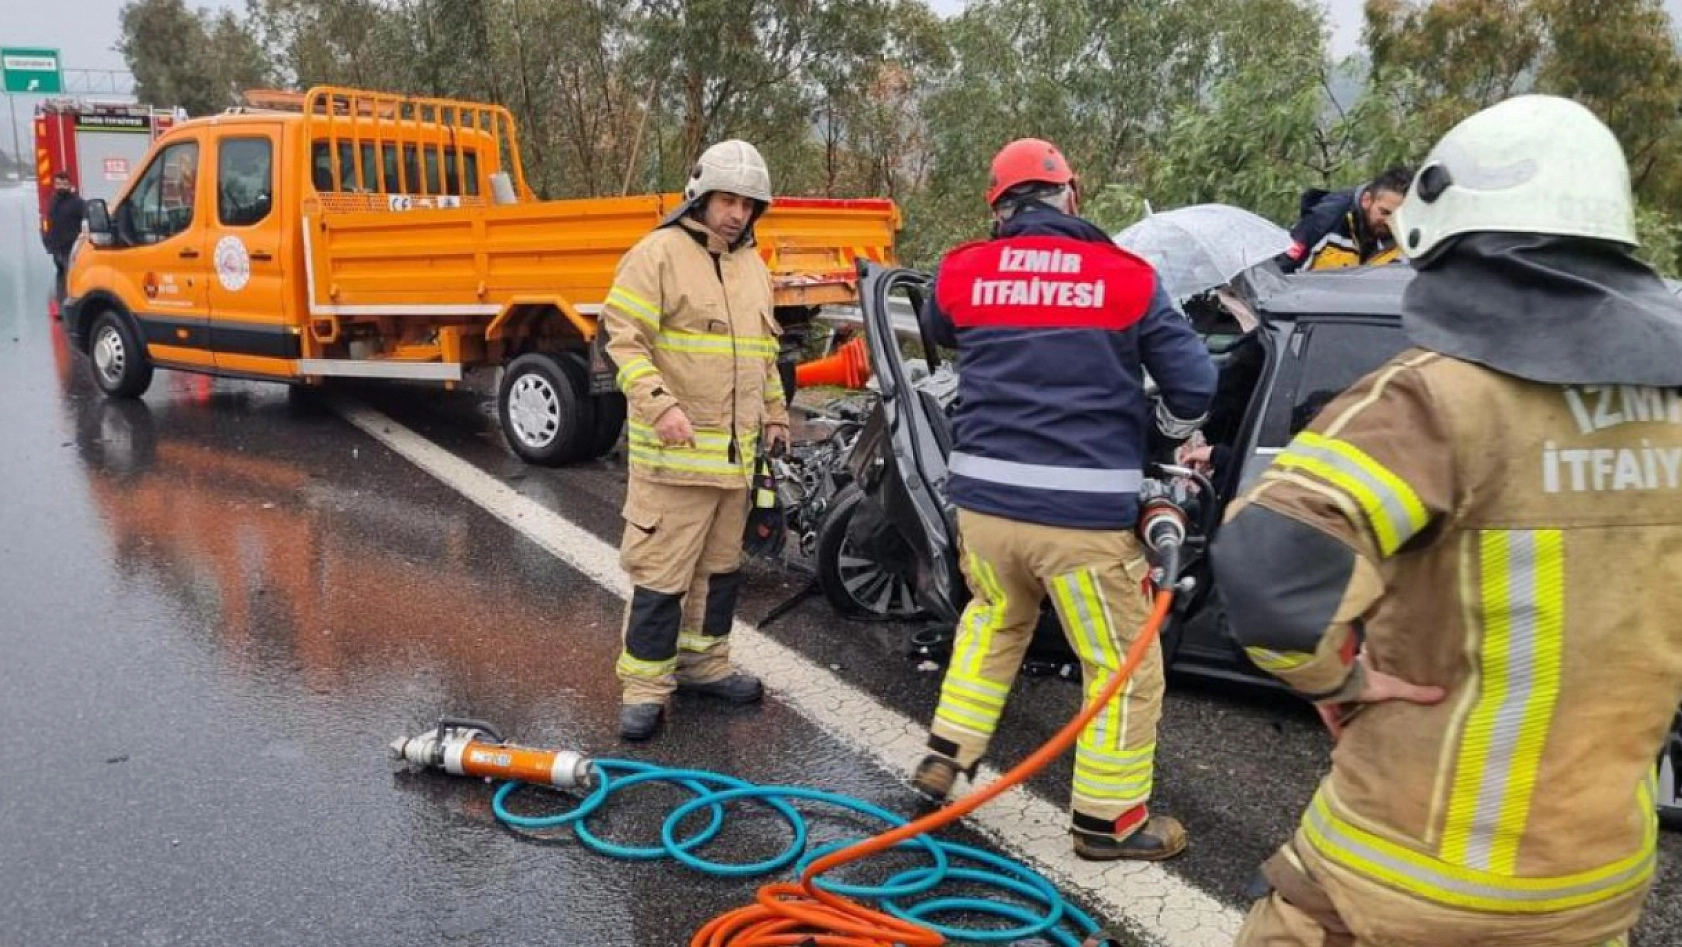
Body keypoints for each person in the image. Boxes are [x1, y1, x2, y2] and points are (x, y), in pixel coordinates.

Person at [1212, 94, 1682, 947]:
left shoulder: (1435, 394)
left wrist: (1333, 680)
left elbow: (1269, 565)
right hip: (1598, 888)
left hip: (1403, 873)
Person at [909, 138, 1217, 861]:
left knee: (991, 623)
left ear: (999, 207)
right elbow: (1195, 386)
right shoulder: (1127, 276)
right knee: (1118, 664)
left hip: (984, 512)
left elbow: (938, 328)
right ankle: (1107, 823)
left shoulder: (962, 269)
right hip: (1081, 522)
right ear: (1070, 196)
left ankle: (946, 756)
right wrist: (1159, 432)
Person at [599, 139, 791, 742]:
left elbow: (764, 355)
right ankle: (645, 690)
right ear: (701, 197)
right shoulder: (656, 254)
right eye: (727, 200)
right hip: (674, 461)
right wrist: (660, 408)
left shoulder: (752, 267)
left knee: (720, 574)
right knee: (661, 578)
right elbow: (622, 339)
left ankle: (705, 667)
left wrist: (777, 415)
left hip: (734, 465)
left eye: (747, 204)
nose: (736, 213)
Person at [1276, 166, 1412, 273]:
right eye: (1384, 212)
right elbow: (1281, 266)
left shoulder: (1411, 238)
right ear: (1367, 200)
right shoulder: (1326, 219)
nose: (1389, 221)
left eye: (1398, 216)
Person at [43, 171, 86, 308]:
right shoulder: (53, 201)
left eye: (64, 183)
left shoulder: (78, 203)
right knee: (61, 277)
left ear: (69, 184)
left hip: (72, 248)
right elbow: (49, 223)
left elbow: (86, 224)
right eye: (58, 183)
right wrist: (48, 242)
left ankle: (74, 307)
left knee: (72, 278)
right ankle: (63, 307)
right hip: (57, 249)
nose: (61, 186)